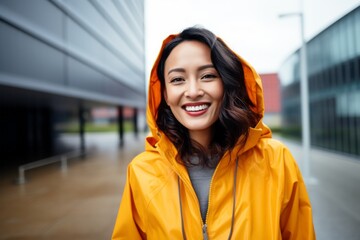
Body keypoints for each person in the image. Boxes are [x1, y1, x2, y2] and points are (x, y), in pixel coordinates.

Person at [112, 27, 315, 239]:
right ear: (164, 93)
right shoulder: (141, 171)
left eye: (208, 76)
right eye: (177, 79)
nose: (193, 91)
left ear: (226, 83)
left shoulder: (276, 162)